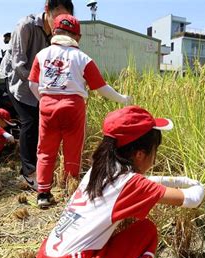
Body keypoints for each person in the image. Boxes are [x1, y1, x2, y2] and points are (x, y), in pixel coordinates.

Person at [35, 106, 205, 258]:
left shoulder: (99, 169)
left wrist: (179, 180)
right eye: (154, 151)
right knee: (146, 232)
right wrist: (200, 185)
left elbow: (145, 183)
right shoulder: (130, 183)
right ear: (140, 154)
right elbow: (192, 199)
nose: (155, 158)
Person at [28, 14, 132, 208]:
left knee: (45, 150)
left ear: (54, 32)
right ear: (78, 37)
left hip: (47, 105)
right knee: (72, 149)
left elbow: (33, 83)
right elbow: (101, 87)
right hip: (73, 106)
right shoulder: (82, 58)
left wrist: (45, 100)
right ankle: (70, 190)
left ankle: (43, 193)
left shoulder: (41, 55)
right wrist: (123, 99)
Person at [3, 0, 74, 190]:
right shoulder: (26, 26)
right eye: (57, 17)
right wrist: (39, 84)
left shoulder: (60, 34)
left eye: (65, 19)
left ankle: (42, 167)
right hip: (19, 82)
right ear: (46, 11)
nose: (59, 23)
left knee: (44, 124)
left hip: (43, 85)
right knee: (30, 122)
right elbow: (18, 64)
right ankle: (28, 172)